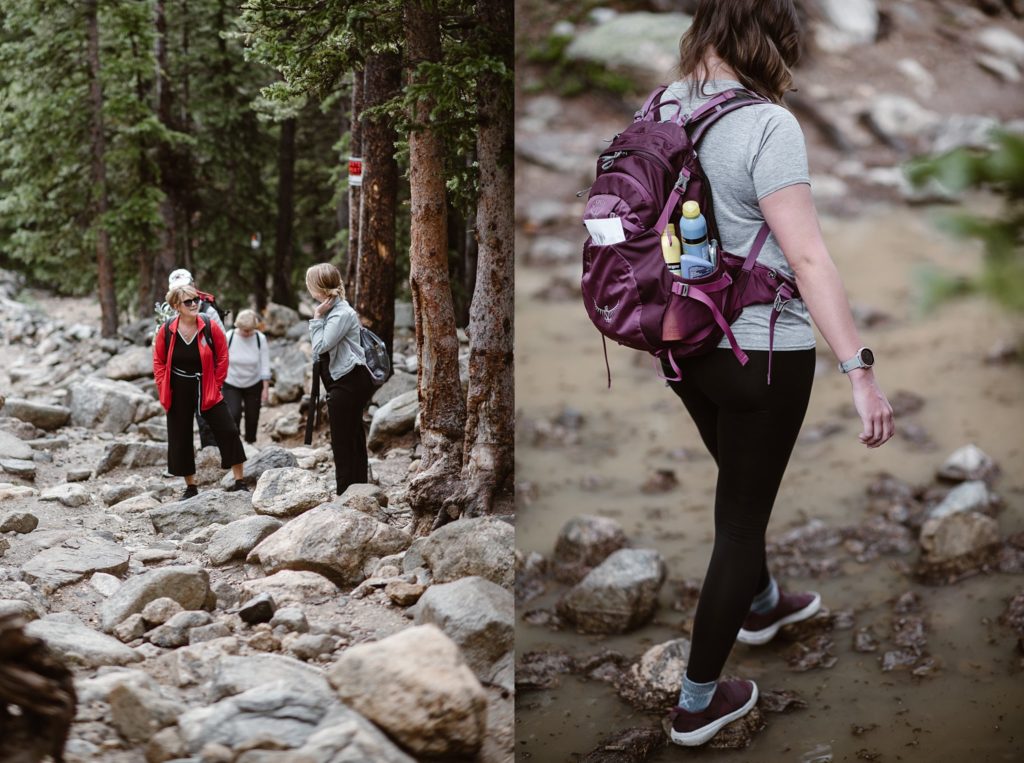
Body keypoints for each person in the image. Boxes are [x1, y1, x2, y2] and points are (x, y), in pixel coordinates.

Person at [656, 0, 895, 747]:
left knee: (739, 480)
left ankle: (760, 601)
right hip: (760, 351)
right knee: (740, 519)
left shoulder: (662, 104)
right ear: (773, 36)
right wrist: (860, 369)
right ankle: (698, 701)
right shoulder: (767, 123)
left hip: (682, 345)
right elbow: (809, 255)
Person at [153, 282, 248, 500]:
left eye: (196, 300)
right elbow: (158, 361)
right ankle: (191, 486)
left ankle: (239, 481)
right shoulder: (167, 329)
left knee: (229, 430)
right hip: (178, 388)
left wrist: (216, 383)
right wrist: (162, 386)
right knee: (180, 436)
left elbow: (223, 356)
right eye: (189, 301)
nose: (195, 304)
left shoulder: (208, 325)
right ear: (177, 305)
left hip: (206, 385)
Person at [305, 263, 374, 495]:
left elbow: (320, 346)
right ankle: (358, 488)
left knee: (343, 441)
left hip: (349, 381)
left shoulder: (341, 313)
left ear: (319, 287)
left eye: (310, 283)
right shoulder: (333, 311)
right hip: (344, 380)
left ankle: (346, 493)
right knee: (352, 435)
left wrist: (315, 318)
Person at [164, 269, 225, 449]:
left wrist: (217, 377)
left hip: (205, 374)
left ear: (193, 287)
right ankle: (183, 462)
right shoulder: (168, 313)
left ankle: (211, 455)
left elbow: (222, 345)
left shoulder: (208, 312)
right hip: (178, 375)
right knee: (179, 419)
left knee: (206, 417)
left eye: (185, 287)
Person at [223, 309, 271, 444]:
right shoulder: (229, 337)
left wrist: (265, 389)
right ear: (238, 326)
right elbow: (220, 361)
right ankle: (235, 443)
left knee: (252, 417)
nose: (247, 333)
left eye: (250, 330)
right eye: (244, 330)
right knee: (234, 414)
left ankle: (250, 443)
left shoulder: (259, 339)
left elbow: (265, 365)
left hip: (254, 383)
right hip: (231, 382)